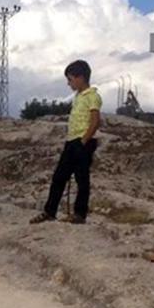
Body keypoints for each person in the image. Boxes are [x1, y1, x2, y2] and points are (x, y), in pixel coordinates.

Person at [30, 59, 102, 225]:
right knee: (59, 177)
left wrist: (83, 141)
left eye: (70, 79)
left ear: (80, 78)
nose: (68, 83)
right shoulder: (78, 96)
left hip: (83, 142)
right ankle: (50, 211)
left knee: (82, 179)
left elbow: (95, 121)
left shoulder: (93, 96)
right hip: (72, 141)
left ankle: (79, 214)